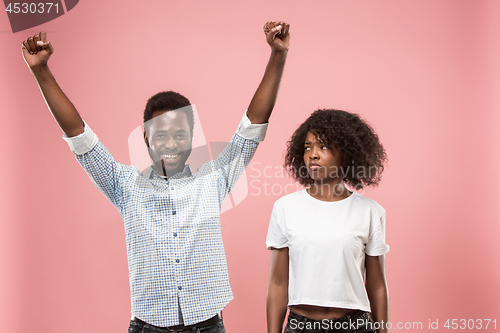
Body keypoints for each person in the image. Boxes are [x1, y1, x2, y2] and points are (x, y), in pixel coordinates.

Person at [22, 21, 290, 332]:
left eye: (180, 134)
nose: (171, 144)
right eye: (160, 135)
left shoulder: (213, 179)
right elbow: (79, 136)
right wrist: (41, 72)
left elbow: (252, 127)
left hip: (208, 326)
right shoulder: (123, 184)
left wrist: (277, 55)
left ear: (192, 138)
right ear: (147, 140)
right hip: (148, 326)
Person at [266, 109, 389, 333]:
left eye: (323, 146)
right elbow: (277, 282)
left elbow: (377, 284)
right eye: (307, 147)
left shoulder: (370, 211)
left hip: (355, 326)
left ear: (347, 153)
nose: (313, 154)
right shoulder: (285, 208)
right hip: (300, 326)